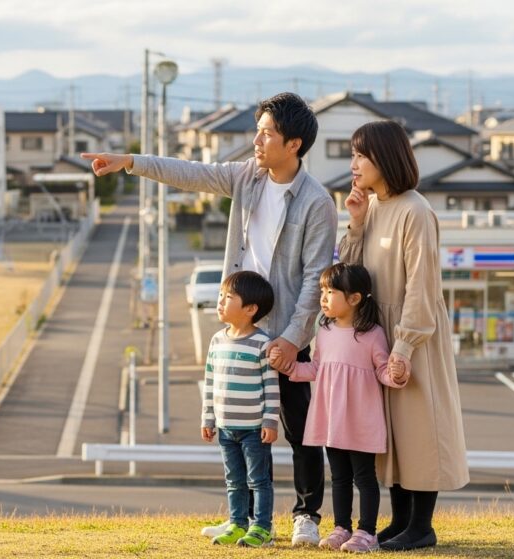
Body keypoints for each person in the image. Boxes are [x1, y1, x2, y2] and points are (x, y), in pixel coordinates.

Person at [84, 92, 336, 546]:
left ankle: (306, 516)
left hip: (284, 336)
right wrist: (128, 161)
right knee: (236, 431)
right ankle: (241, 517)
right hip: (241, 331)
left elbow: (315, 279)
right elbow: (192, 173)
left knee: (300, 430)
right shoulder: (247, 178)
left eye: (267, 133)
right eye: (257, 130)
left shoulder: (318, 203)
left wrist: (294, 338)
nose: (257, 141)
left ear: (294, 144)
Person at [339, 120, 469, 551]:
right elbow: (350, 273)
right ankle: (399, 521)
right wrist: (355, 223)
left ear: (385, 159)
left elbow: (423, 286)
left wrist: (406, 344)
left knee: (418, 427)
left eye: (361, 155)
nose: (354, 164)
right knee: (388, 432)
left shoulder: (416, 210)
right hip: (380, 334)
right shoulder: (372, 206)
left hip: (413, 334)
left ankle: (422, 526)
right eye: (353, 155)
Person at [273, 263, 409, 553]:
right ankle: (342, 527)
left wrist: (396, 375)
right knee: (339, 477)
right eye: (323, 290)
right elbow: (318, 368)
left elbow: (383, 371)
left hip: (361, 419)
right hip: (332, 419)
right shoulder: (325, 331)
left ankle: (367, 532)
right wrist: (291, 368)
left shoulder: (372, 334)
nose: (323, 297)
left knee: (364, 477)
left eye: (330, 291)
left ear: (355, 298)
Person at [201, 271, 278, 547]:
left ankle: (262, 527)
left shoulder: (262, 343)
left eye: (228, 297)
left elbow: (271, 386)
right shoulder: (217, 341)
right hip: (224, 427)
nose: (220, 301)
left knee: (258, 480)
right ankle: (237, 523)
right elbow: (210, 381)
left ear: (250, 309)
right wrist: (208, 418)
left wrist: (270, 422)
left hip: (253, 429)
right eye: (220, 296)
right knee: (234, 480)